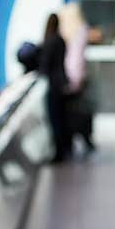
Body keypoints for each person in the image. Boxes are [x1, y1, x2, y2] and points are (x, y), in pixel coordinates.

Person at [38, 12, 71, 163]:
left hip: (54, 85)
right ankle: (65, 148)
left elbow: (45, 65)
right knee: (63, 118)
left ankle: (58, 152)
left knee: (55, 119)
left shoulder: (50, 41)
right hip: (63, 82)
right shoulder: (61, 40)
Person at [63, 21, 97, 156]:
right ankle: (85, 139)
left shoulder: (74, 34)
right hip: (76, 81)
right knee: (79, 113)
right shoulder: (79, 34)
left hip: (72, 82)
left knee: (76, 113)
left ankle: (80, 140)